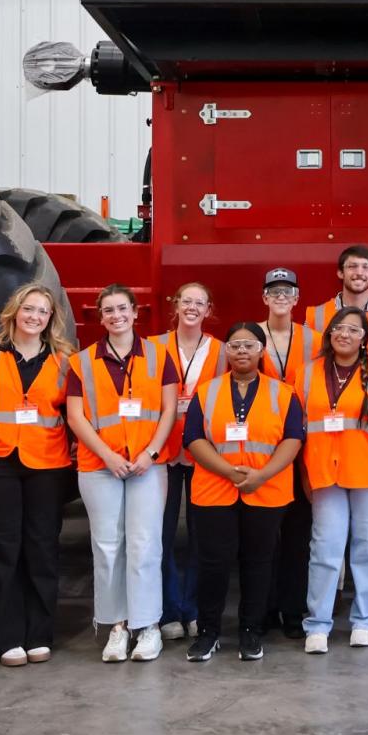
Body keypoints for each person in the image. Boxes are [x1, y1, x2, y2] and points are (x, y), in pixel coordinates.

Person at [67, 284, 180, 663]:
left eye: (122, 309)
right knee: (107, 545)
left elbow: (168, 410)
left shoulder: (159, 356)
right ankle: (116, 625)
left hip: (148, 464)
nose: (116, 316)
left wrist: (150, 453)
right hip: (100, 466)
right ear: (101, 318)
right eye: (108, 311)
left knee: (145, 545)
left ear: (135, 313)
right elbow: (76, 415)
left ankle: (147, 626)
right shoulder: (81, 362)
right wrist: (107, 456)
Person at [183, 323, 305, 662]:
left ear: (261, 351)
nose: (241, 351)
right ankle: (209, 632)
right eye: (235, 345)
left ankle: (251, 631)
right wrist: (228, 472)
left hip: (266, 491)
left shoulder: (284, 393)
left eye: (249, 345)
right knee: (213, 564)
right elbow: (193, 438)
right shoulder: (206, 392)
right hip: (214, 491)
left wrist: (261, 475)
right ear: (226, 351)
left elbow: (293, 439)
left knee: (259, 563)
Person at [0, 283, 76, 666]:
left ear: (51, 319)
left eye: (42, 312)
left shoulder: (64, 359)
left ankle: (38, 634)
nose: (34, 317)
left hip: (46, 464)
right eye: (29, 309)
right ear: (14, 311)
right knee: (2, 549)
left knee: (42, 548)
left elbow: (72, 412)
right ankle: (4, 638)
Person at [300, 308, 368, 652]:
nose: (344, 334)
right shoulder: (307, 374)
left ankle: (364, 619)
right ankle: (317, 623)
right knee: (325, 550)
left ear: (364, 338)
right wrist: (304, 476)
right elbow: (298, 431)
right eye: (338, 328)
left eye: (353, 330)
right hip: (324, 476)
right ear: (329, 334)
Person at [152, 282, 227, 641]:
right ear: (175, 304)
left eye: (200, 302)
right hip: (162, 452)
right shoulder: (153, 347)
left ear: (208, 309)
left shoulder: (222, 351)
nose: (192, 308)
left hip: (203, 454)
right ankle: (168, 611)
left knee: (203, 537)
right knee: (161, 535)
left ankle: (194, 609)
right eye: (187, 301)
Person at [260, 267, 321, 639]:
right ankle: (265, 608)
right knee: (264, 535)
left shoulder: (314, 340)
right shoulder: (250, 336)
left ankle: (294, 609)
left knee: (299, 535)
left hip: (305, 444)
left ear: (297, 299)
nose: (281, 297)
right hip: (262, 445)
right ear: (264, 297)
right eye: (274, 291)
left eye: (288, 292)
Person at [304, 244, 368, 361]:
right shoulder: (315, 316)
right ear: (340, 273)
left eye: (366, 267)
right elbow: (305, 364)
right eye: (352, 266)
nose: (359, 272)